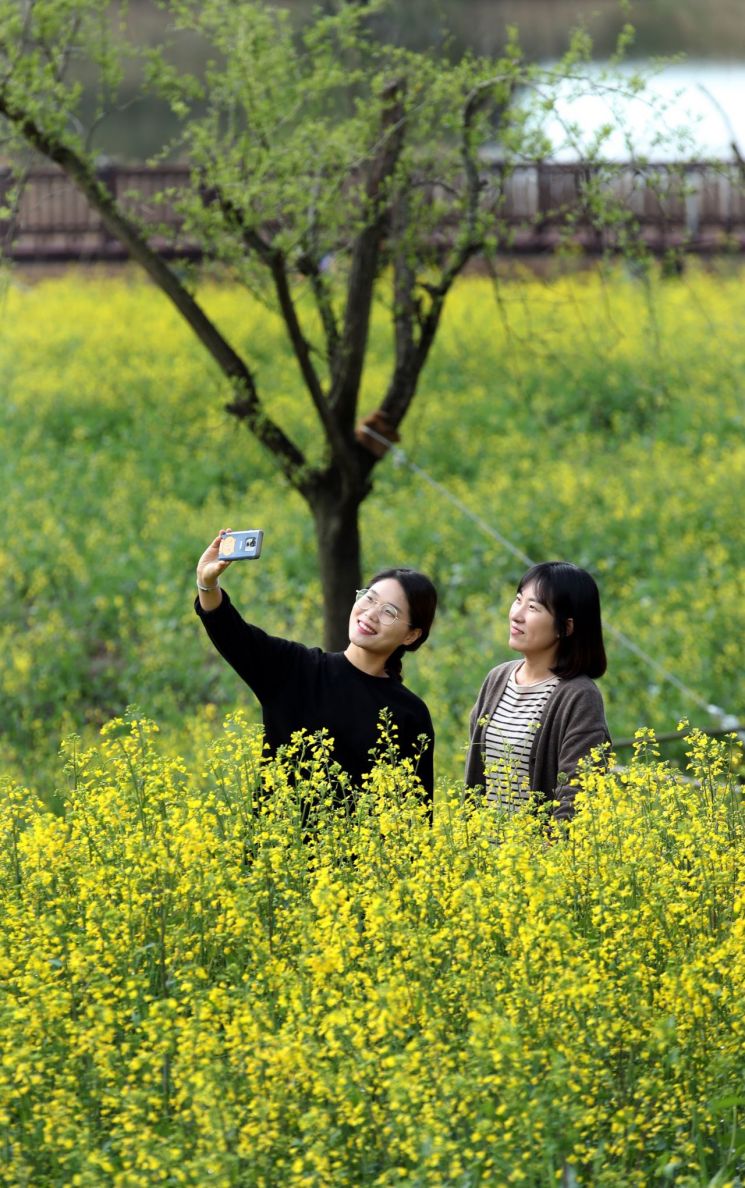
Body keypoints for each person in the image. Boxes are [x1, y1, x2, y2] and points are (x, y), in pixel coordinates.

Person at [195, 530, 437, 803]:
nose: (370, 614)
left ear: (411, 635)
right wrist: (207, 582)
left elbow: (415, 813)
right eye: (369, 598)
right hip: (275, 843)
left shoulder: (409, 713)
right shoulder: (295, 669)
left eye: (389, 612)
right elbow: (231, 632)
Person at [465, 561, 610, 823]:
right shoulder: (497, 679)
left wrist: (546, 853)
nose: (516, 615)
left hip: (537, 858)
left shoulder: (579, 696)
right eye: (518, 600)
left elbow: (579, 791)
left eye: (533, 607)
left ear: (565, 627)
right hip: (485, 854)